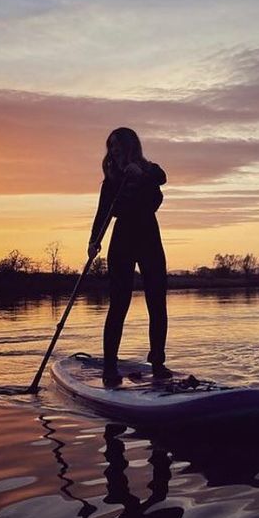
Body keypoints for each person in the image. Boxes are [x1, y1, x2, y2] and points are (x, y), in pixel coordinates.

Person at [88, 127, 171, 386]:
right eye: (110, 146)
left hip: (149, 237)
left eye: (117, 145)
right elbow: (102, 212)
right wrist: (94, 241)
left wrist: (142, 173)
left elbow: (162, 177)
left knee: (157, 302)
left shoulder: (149, 170)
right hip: (123, 239)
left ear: (130, 146)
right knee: (119, 304)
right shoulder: (111, 180)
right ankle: (110, 367)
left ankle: (158, 362)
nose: (112, 150)